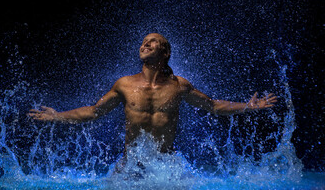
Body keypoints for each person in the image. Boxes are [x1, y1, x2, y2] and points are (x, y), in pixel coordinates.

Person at [28, 33, 277, 165]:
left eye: (153, 41)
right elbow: (94, 111)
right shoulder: (124, 84)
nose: (145, 44)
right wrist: (57, 115)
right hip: (130, 165)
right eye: (144, 41)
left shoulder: (179, 86)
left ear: (165, 52)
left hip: (166, 166)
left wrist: (248, 106)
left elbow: (212, 106)